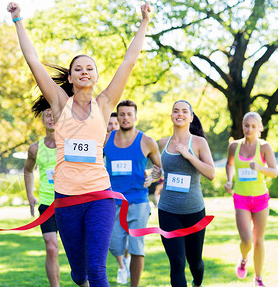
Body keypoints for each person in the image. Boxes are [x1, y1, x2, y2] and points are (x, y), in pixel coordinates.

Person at [7, 1, 151, 286]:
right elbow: (34, 62)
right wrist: (18, 20)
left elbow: (129, 61)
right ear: (71, 77)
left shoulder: (105, 103)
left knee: (97, 269)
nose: (85, 72)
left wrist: (144, 22)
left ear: (96, 75)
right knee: (79, 274)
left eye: (90, 68)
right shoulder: (60, 104)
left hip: (99, 196)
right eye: (79, 69)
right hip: (66, 200)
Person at [103, 100, 162, 286]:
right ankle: (124, 258)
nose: (125, 117)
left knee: (137, 248)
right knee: (113, 245)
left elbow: (160, 168)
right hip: (113, 203)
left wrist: (152, 177)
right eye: (122, 114)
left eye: (129, 114)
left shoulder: (147, 141)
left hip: (138, 202)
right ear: (117, 117)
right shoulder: (106, 140)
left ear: (136, 117)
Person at [157, 100, 215, 287]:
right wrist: (155, 174)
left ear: (191, 117)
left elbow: (211, 173)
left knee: (194, 261)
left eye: (184, 111)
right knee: (177, 262)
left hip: (194, 212)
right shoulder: (162, 143)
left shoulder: (198, 142)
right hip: (168, 211)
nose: (179, 114)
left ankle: (197, 282)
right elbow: (161, 171)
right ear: (171, 115)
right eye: (175, 111)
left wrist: (189, 156)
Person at [224, 112, 277, 287]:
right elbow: (230, 164)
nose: (249, 129)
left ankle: (258, 278)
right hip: (241, 198)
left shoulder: (264, 147)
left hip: (261, 198)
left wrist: (259, 167)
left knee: (258, 239)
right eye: (246, 125)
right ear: (242, 125)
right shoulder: (234, 146)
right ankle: (244, 258)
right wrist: (229, 180)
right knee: (246, 239)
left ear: (259, 128)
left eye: (253, 126)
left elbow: (274, 171)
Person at [24, 108, 60, 287]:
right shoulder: (35, 148)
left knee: (77, 250)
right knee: (51, 247)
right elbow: (28, 171)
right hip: (47, 204)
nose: (51, 118)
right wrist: (30, 195)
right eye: (47, 115)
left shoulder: (70, 144)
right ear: (43, 120)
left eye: (54, 115)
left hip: (69, 203)